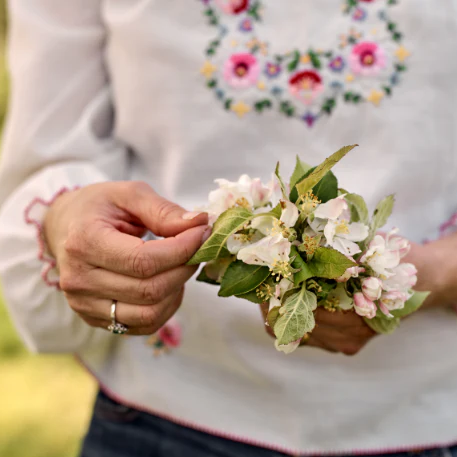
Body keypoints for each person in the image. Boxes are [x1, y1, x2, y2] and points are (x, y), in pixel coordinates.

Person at [1, 1, 457, 456]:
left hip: (428, 412)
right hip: (168, 411)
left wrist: (425, 275)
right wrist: (68, 223)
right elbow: (49, 149)